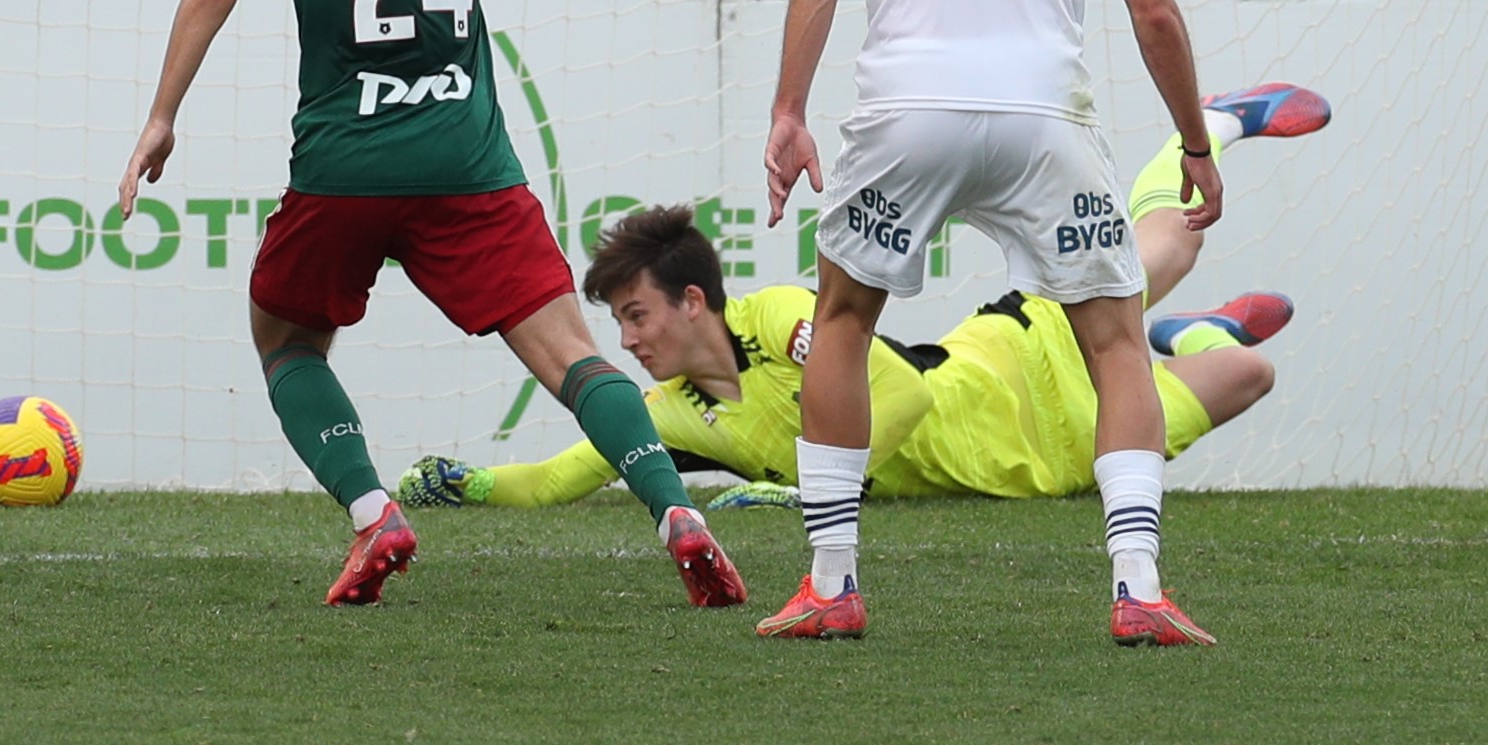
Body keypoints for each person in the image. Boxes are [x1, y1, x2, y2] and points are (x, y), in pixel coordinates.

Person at [117, 0, 749, 614]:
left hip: (345, 161)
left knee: (285, 336)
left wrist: (162, 114)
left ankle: (375, 511)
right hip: (465, 161)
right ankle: (676, 516)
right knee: (572, 356)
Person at [756, 0, 1227, 646]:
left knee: (841, 321)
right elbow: (1152, 6)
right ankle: (1138, 586)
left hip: (906, 112)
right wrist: (1193, 141)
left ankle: (831, 584)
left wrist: (789, 109)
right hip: (1040, 117)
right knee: (1111, 339)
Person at [391, 174, 1299, 514]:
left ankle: (1207, 132)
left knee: (1160, 250)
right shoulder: (677, 415)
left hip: (1003, 367)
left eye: (635, 315)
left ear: (695, 300)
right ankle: (1182, 338)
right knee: (1247, 370)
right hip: (1035, 466)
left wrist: (809, 492)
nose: (625, 340)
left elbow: (901, 395)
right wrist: (466, 484)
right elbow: (563, 476)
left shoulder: (782, 316)